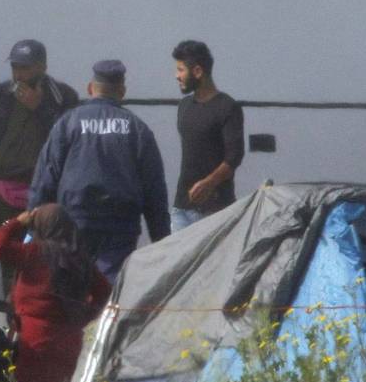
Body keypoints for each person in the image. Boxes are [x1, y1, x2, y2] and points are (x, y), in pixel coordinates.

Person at [0, 39, 79, 295]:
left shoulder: (63, 96)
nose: (18, 74)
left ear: (42, 67)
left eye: (25, 68)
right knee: (9, 255)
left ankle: (41, 309)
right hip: (6, 190)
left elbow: (71, 137)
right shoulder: (1, 95)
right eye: (15, 67)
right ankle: (12, 311)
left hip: (48, 193)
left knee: (48, 258)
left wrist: (39, 108)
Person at [28, 60, 171, 283]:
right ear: (122, 91)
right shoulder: (137, 128)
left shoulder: (67, 123)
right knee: (109, 287)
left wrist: (32, 226)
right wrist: (161, 239)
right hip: (120, 225)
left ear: (90, 88)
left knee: (71, 283)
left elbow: (46, 177)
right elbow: (154, 189)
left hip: (73, 220)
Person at [0, 204, 111, 382]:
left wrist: (17, 222)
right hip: (69, 346)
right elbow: (104, 293)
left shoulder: (35, 252)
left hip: (34, 343)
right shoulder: (80, 260)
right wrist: (82, 317)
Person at [171, 40, 244, 233]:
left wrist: (209, 183)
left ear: (197, 71)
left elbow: (234, 157)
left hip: (215, 210)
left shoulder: (227, 107)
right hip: (181, 209)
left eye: (180, 70)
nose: (177, 76)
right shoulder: (184, 106)